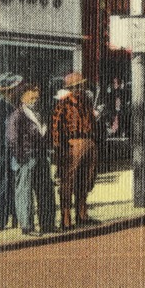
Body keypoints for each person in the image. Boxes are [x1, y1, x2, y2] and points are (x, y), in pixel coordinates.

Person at [6, 83, 57, 236]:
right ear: (23, 97)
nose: (36, 99)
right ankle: (27, 227)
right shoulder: (17, 115)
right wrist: (22, 158)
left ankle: (47, 224)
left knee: (46, 190)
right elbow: (13, 139)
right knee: (25, 193)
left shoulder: (39, 113)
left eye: (37, 96)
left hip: (41, 157)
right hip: (26, 159)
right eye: (32, 96)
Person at [50, 72, 99, 229]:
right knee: (67, 182)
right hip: (72, 144)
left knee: (86, 179)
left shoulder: (86, 103)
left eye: (81, 85)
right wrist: (59, 149)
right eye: (77, 86)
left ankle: (82, 214)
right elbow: (56, 128)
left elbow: (92, 123)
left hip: (88, 142)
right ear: (70, 88)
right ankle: (66, 218)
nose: (80, 88)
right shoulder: (63, 104)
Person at [0, 73, 22, 231]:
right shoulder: (1, 106)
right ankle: (0, 218)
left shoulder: (7, 104)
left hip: (6, 149)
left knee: (9, 182)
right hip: (2, 149)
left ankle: (9, 216)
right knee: (2, 182)